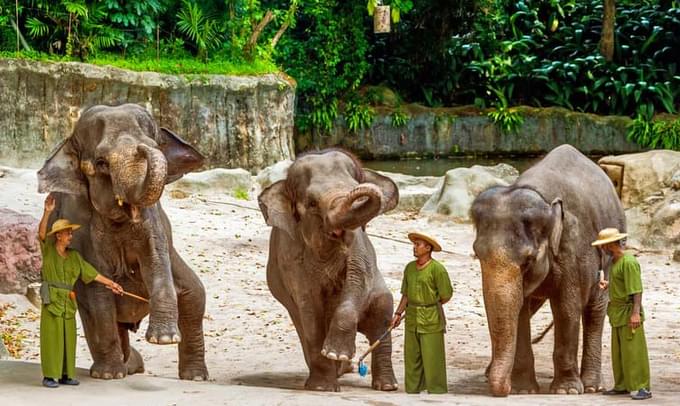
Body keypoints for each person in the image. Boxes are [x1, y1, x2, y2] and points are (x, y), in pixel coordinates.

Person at [38, 193, 124, 388]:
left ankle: (66, 374)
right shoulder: (49, 250)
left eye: (70, 233)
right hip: (52, 299)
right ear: (59, 235)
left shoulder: (74, 256)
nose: (70, 236)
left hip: (68, 300)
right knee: (52, 338)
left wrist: (112, 284)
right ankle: (50, 376)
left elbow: (92, 274)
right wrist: (46, 213)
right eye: (68, 233)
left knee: (69, 338)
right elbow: (41, 233)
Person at [593, 227, 652, 400]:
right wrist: (608, 285)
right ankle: (622, 385)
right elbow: (622, 283)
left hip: (628, 312)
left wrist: (635, 314)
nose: (602, 249)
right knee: (619, 352)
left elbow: (636, 290)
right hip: (617, 313)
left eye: (604, 245)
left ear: (611, 244)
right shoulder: (615, 262)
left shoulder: (629, 262)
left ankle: (642, 387)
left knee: (634, 351)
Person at [391, 232, 453, 394]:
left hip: (431, 318)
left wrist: (429, 305)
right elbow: (406, 294)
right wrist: (398, 313)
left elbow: (446, 295)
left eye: (418, 245)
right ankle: (412, 390)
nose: (414, 247)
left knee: (433, 356)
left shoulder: (438, 269)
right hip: (411, 317)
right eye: (415, 244)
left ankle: (436, 390)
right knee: (412, 357)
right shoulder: (410, 268)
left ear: (428, 248)